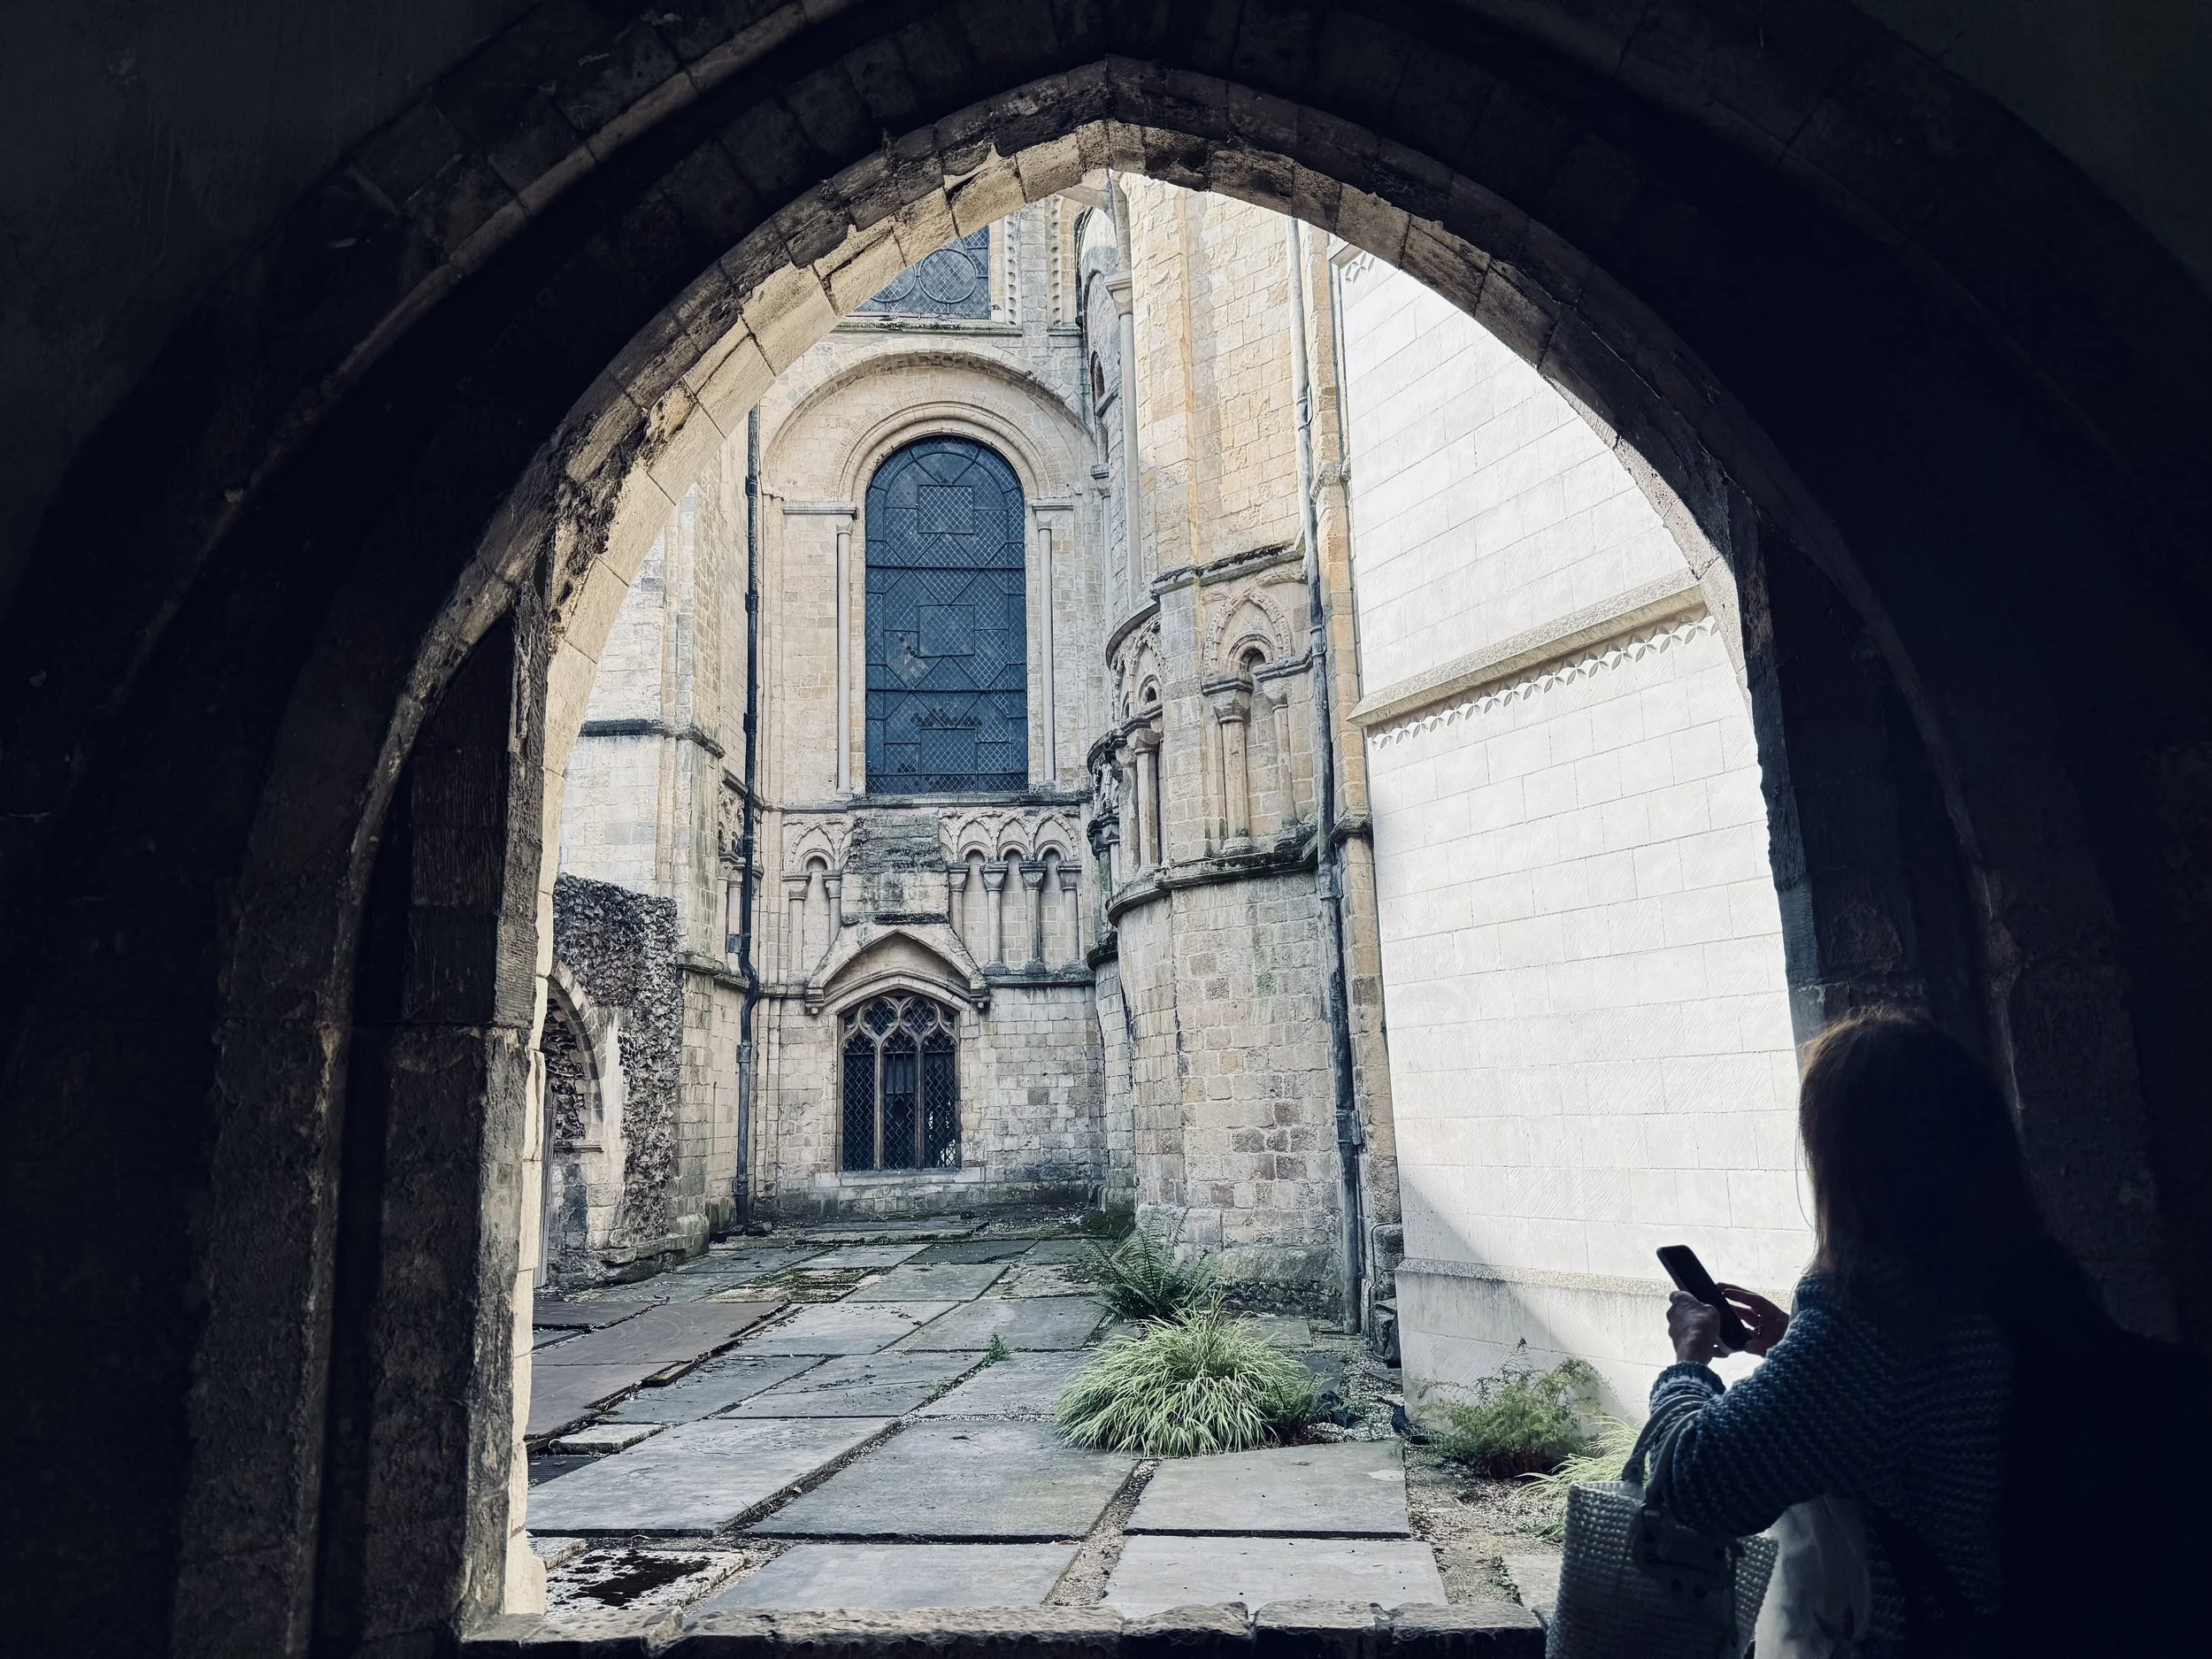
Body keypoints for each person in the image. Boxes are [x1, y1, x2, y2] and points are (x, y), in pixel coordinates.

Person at [1645, 1009, 2205, 1657]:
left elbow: (1693, 1486)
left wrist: (1689, 1359)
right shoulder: (2023, 1272)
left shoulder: (1873, 1323)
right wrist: (1797, 1343)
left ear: (1849, 1163)